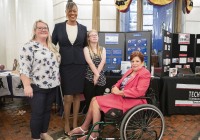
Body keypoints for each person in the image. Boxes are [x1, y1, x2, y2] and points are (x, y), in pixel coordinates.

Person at [68, 51, 151, 140]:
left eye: (137, 61)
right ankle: (85, 128)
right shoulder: (130, 71)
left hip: (131, 100)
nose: (134, 63)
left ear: (142, 62)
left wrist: (120, 92)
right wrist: (114, 87)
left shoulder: (145, 73)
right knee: (94, 99)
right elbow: (119, 82)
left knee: (96, 103)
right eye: (132, 61)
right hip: (120, 97)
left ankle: (93, 133)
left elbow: (139, 91)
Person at [19, 20, 61, 140]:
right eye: (40, 28)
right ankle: (35, 137)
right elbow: (24, 68)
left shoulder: (52, 46)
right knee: (38, 113)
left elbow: (56, 64)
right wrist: (27, 86)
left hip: (53, 85)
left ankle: (44, 132)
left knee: (47, 111)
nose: (43, 30)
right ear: (34, 31)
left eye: (45, 28)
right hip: (37, 86)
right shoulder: (28, 46)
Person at [52, 1, 87, 135]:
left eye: (75, 11)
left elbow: (85, 46)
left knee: (77, 95)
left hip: (79, 65)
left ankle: (75, 123)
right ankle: (66, 122)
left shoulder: (83, 28)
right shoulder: (59, 27)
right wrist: (55, 56)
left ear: (77, 12)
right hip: (65, 65)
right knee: (67, 96)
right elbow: (52, 44)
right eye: (70, 11)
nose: (72, 13)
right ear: (66, 13)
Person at [83, 29, 106, 113]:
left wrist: (97, 76)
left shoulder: (102, 49)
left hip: (101, 79)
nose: (94, 36)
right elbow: (90, 62)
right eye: (92, 35)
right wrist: (95, 76)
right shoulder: (86, 49)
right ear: (88, 38)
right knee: (90, 101)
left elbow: (102, 62)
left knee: (100, 102)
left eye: (96, 35)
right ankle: (89, 123)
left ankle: (99, 122)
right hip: (89, 79)